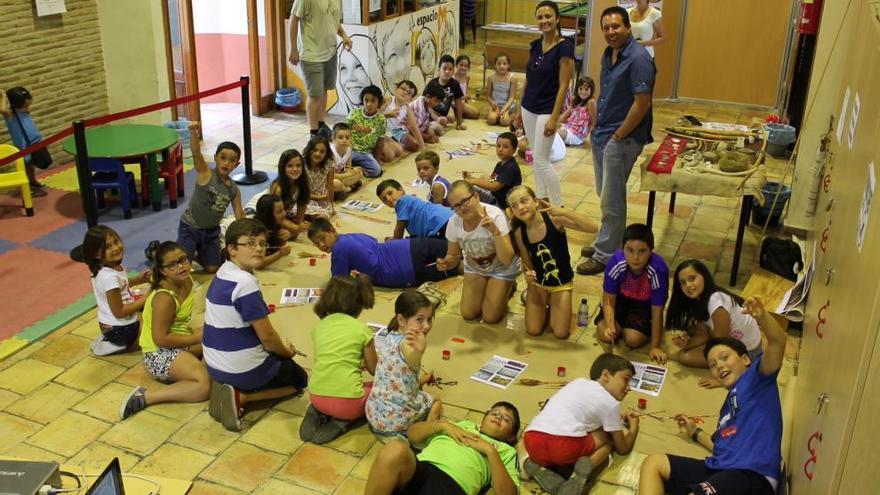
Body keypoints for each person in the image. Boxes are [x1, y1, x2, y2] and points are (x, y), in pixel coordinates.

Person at [638, 297, 786, 495]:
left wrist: (763, 317)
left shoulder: (758, 378)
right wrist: (695, 432)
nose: (719, 366)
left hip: (750, 476)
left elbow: (778, 342)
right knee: (653, 464)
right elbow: (720, 447)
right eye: (713, 365)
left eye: (725, 358)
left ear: (745, 360)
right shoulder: (726, 409)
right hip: (718, 470)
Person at [203, 219, 309, 431]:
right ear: (231, 249)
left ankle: (230, 387)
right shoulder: (245, 284)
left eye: (262, 243)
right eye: (250, 244)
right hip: (241, 369)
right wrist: (287, 352)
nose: (259, 249)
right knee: (300, 379)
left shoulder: (223, 272)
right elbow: (268, 338)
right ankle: (244, 397)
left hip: (213, 365)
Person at [577, 6, 655, 275]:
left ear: (627, 28)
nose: (611, 32)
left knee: (612, 199)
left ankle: (605, 253)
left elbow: (641, 104)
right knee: (605, 193)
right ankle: (608, 240)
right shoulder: (609, 53)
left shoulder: (639, 59)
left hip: (623, 136)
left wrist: (619, 135)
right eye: (606, 27)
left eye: (616, 27)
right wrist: (598, 127)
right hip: (604, 132)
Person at [524, 353, 639, 495]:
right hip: (562, 447)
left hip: (531, 440)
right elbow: (622, 448)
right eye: (625, 380)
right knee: (607, 442)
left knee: (577, 434)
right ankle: (578, 476)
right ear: (605, 375)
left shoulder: (577, 382)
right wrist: (634, 426)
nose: (629, 388)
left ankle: (539, 466)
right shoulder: (611, 404)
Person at [120, 241, 209, 420]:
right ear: (162, 270)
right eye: (172, 265)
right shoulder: (164, 298)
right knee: (204, 386)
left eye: (183, 260)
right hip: (159, 353)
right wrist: (195, 338)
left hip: (182, 341)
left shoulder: (187, 279)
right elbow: (161, 339)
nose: (181, 266)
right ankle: (145, 397)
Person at [364, 402, 522, 495]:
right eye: (495, 412)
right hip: (420, 470)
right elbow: (412, 435)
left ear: (510, 437)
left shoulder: (506, 451)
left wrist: (490, 451)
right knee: (394, 449)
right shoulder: (462, 426)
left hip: (453, 487)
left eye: (506, 419)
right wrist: (442, 425)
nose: (498, 417)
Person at [508, 186, 597, 339]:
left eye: (524, 201)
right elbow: (526, 261)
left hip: (560, 284)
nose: (521, 207)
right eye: (515, 206)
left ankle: (553, 303)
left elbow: (593, 228)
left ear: (536, 202)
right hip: (538, 284)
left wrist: (564, 212)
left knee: (560, 333)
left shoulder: (555, 220)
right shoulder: (519, 233)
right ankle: (541, 302)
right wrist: (528, 276)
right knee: (533, 330)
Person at [301, 273, 377, 444]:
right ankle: (342, 421)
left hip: (316, 396)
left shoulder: (319, 327)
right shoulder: (362, 329)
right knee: (380, 388)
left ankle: (317, 411)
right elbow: (375, 370)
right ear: (358, 304)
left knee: (330, 386)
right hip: (347, 404)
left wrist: (355, 362)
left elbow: (332, 357)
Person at [436, 181, 521, 324]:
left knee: (490, 317)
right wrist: (446, 263)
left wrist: (495, 231)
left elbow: (507, 259)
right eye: (456, 206)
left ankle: (509, 286)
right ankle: (491, 288)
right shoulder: (453, 222)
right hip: (475, 267)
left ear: (476, 196)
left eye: (465, 201)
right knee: (469, 313)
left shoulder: (495, 215)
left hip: (502, 268)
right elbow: (454, 255)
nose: (462, 208)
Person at [666, 260, 763, 382]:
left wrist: (718, 379)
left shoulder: (716, 303)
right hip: (731, 340)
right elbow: (703, 334)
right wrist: (687, 344)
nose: (688, 285)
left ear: (704, 276)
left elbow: (723, 344)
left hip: (748, 353)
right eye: (683, 283)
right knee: (687, 342)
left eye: (692, 278)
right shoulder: (699, 298)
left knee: (684, 357)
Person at [365, 290, 443, 439]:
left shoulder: (391, 335)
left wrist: (420, 381)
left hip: (374, 415)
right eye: (420, 320)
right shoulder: (409, 345)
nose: (426, 326)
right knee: (436, 400)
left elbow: (398, 376)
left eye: (429, 319)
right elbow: (412, 359)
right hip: (397, 422)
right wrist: (419, 350)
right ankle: (427, 435)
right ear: (401, 320)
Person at [521, 1, 574, 207]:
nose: (544, 21)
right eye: (540, 17)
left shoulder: (565, 47)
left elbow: (564, 85)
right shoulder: (535, 45)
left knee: (543, 161)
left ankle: (558, 206)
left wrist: (554, 118)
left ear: (557, 18)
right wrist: (520, 104)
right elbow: (528, 78)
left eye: (548, 16)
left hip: (546, 109)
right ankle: (541, 200)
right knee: (536, 158)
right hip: (528, 106)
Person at [308, 218, 458, 288]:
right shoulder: (353, 236)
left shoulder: (339, 251)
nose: (321, 245)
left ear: (333, 231)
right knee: (459, 248)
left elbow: (338, 283)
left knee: (458, 267)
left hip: (405, 270)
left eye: (323, 238)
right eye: (316, 243)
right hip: (411, 245)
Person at [177, 121, 245, 273]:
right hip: (190, 228)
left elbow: (239, 214)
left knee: (213, 268)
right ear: (215, 158)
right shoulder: (205, 173)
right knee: (181, 266)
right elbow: (196, 153)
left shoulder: (234, 189)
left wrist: (248, 233)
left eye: (232, 160)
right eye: (223, 157)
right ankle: (183, 250)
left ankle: (197, 253)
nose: (226, 163)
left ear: (237, 164)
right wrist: (193, 132)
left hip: (211, 232)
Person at [595, 223, 668, 364]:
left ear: (651, 251)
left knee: (632, 339)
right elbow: (609, 300)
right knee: (606, 335)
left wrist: (655, 347)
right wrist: (610, 326)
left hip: (643, 305)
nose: (635, 257)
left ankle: (627, 327)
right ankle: (617, 325)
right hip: (620, 301)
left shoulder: (658, 269)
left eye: (642, 251)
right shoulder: (616, 262)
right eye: (630, 250)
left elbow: (658, 309)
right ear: (623, 249)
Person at [72, 225, 149, 356]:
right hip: (123, 330)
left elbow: (119, 286)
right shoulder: (109, 277)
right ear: (96, 254)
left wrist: (137, 280)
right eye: (108, 247)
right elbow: (120, 312)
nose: (116, 248)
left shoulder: (104, 268)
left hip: (110, 326)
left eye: (116, 241)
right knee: (155, 327)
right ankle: (123, 343)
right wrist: (146, 298)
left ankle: (110, 340)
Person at [289, 0, 352, 138]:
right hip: (311, 55)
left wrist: (345, 36)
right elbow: (293, 19)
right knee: (315, 95)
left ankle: (321, 124)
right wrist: (293, 49)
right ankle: (313, 132)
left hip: (330, 52)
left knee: (324, 90)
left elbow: (333, 22)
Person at [1, 86, 50, 195]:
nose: (28, 108)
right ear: (15, 105)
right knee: (24, 166)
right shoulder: (10, 115)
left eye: (28, 105)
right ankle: (24, 188)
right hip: (23, 146)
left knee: (31, 165)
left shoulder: (25, 111)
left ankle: (32, 181)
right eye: (25, 105)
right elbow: (3, 109)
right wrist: (3, 96)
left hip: (34, 143)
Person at [462, 132, 522, 210]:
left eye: (505, 147)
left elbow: (493, 187)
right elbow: (491, 180)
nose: (500, 149)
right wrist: (471, 177)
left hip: (502, 205)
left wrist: (473, 181)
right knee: (483, 177)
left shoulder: (510, 168)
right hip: (495, 197)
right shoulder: (499, 164)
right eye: (498, 146)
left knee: (467, 190)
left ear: (514, 150)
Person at [376, 179, 453, 239]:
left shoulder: (402, 201)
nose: (388, 199)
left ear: (401, 190)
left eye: (390, 193)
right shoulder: (408, 201)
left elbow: (399, 229)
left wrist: (393, 241)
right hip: (447, 219)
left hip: (442, 224)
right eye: (384, 199)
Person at [268, 149, 312, 236]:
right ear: (283, 167)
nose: (295, 169)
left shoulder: (302, 184)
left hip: (283, 214)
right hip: (267, 215)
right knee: (286, 234)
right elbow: (274, 215)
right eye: (290, 166)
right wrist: (295, 228)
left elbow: (302, 207)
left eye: (298, 165)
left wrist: (300, 226)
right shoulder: (278, 189)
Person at [347, 85, 388, 177]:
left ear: (379, 103)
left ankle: (357, 170)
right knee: (337, 165)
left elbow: (380, 141)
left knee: (377, 171)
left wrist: (376, 160)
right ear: (362, 101)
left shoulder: (381, 119)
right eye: (366, 100)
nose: (369, 104)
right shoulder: (354, 114)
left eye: (373, 101)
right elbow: (344, 133)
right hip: (350, 150)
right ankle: (352, 168)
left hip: (365, 153)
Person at [382, 80, 425, 154]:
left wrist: (423, 149)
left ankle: (392, 141)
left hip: (391, 131)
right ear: (396, 89)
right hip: (377, 130)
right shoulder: (387, 100)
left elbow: (415, 130)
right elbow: (372, 117)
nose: (405, 92)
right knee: (393, 153)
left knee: (410, 147)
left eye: (409, 93)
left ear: (410, 99)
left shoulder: (406, 109)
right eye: (403, 89)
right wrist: (388, 115)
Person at [253, 194, 293, 268]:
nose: (284, 214)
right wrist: (280, 254)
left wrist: (285, 236)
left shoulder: (274, 223)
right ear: (268, 215)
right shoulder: (256, 231)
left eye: (283, 209)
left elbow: (273, 247)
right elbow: (258, 264)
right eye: (279, 212)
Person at [428, 55, 466, 130]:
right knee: (437, 129)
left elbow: (459, 104)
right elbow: (426, 106)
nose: (447, 72)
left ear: (453, 71)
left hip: (444, 114)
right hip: (431, 114)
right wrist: (436, 118)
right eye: (444, 69)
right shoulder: (432, 84)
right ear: (439, 69)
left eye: (450, 69)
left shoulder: (455, 84)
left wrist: (459, 123)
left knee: (450, 119)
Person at [557, 77, 597, 147]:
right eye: (580, 89)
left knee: (552, 134)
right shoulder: (576, 101)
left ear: (591, 90)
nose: (583, 92)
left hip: (577, 135)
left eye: (586, 89)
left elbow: (594, 122)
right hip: (567, 128)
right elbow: (562, 118)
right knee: (547, 129)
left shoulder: (591, 102)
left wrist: (593, 138)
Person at [303, 135, 335, 218]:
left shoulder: (329, 163)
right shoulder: (303, 165)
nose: (318, 154)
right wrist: (319, 197)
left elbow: (330, 184)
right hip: (307, 198)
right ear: (309, 150)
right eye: (315, 150)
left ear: (326, 153)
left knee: (324, 216)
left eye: (322, 151)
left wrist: (331, 204)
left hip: (323, 199)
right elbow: (302, 192)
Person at [329, 123, 364, 199]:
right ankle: (348, 189)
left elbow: (348, 167)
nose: (344, 140)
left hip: (340, 174)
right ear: (333, 139)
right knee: (336, 183)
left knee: (359, 172)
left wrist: (352, 171)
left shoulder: (348, 149)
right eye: (340, 138)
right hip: (329, 178)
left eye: (347, 138)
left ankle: (343, 190)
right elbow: (331, 175)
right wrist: (348, 174)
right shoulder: (331, 152)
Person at [486, 54, 519, 127]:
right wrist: (492, 104)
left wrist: (504, 109)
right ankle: (496, 115)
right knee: (491, 120)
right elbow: (488, 96)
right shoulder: (491, 78)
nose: (501, 66)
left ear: (508, 65)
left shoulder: (512, 78)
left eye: (504, 64)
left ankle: (511, 114)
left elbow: (512, 97)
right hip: (495, 105)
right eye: (499, 63)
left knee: (504, 122)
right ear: (495, 65)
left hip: (506, 105)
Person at [452, 54, 480, 120]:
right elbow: (450, 96)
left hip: (462, 103)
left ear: (468, 67)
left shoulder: (467, 77)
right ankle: (456, 112)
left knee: (476, 114)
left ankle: (458, 113)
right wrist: (462, 97)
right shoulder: (453, 78)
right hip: (453, 103)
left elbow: (465, 90)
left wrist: (467, 97)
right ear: (456, 65)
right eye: (461, 65)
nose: (463, 68)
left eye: (466, 66)